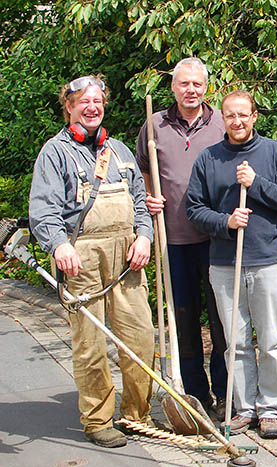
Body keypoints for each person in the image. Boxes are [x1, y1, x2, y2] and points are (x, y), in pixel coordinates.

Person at [29, 75, 154, 448]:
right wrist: (57, 246)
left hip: (127, 257)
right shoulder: (54, 153)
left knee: (140, 338)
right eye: (83, 101)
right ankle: (98, 419)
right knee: (91, 345)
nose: (92, 107)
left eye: (97, 101)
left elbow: (141, 200)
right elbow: (44, 211)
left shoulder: (120, 151)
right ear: (68, 106)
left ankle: (136, 415)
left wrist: (145, 236)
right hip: (80, 257)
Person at [186, 90, 277, 439]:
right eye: (230, 115)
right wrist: (226, 222)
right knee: (234, 343)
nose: (236, 121)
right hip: (225, 264)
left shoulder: (274, 152)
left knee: (269, 341)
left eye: (243, 114)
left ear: (254, 116)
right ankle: (244, 408)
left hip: (267, 261)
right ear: (223, 118)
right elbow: (194, 209)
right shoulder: (209, 158)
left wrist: (256, 184)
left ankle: (270, 409)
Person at [135, 57, 228, 419]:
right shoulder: (154, 124)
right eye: (184, 84)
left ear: (206, 87)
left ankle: (224, 393)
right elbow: (145, 169)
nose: (191, 90)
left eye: (197, 84)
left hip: (216, 239)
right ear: (173, 87)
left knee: (222, 322)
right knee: (183, 320)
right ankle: (195, 395)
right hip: (173, 238)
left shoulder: (220, 122)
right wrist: (149, 196)